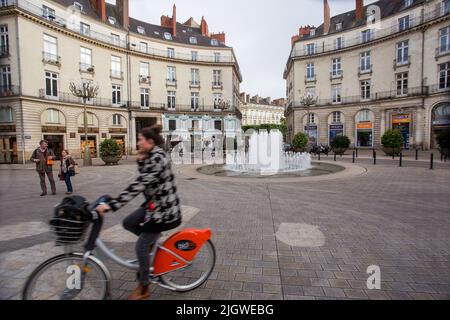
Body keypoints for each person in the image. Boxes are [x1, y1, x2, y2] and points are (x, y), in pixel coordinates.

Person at [96, 124, 182, 300]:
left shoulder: (158, 157)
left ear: (150, 141)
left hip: (165, 212)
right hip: (153, 205)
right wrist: (142, 159)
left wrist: (112, 205)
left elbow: (138, 185)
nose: (138, 143)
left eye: (140, 140)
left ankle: (144, 287)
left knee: (141, 246)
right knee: (128, 222)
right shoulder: (151, 155)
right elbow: (146, 180)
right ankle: (152, 242)